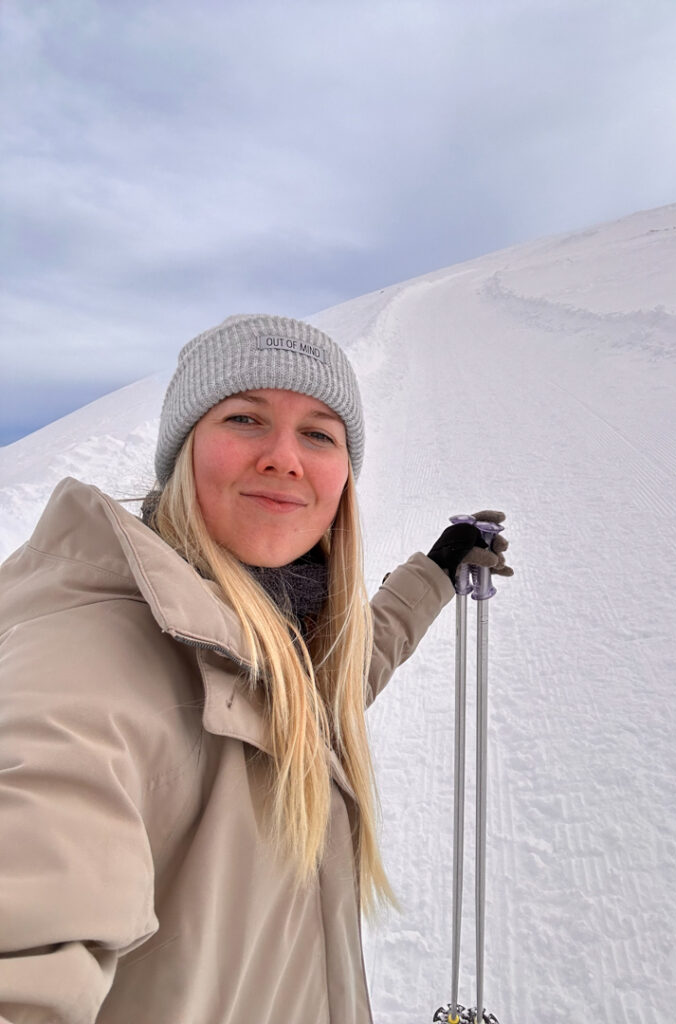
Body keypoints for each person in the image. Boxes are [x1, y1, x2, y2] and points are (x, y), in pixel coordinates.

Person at [0, 314, 510, 1023]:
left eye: (319, 433)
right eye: (245, 418)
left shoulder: (267, 634)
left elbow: (333, 679)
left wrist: (433, 573)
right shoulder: (84, 664)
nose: (283, 457)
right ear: (184, 451)